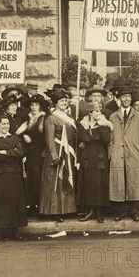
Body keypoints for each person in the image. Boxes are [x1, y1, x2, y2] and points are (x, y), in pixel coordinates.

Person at [109, 86, 139, 222]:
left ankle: (134, 211)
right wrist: (111, 153)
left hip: (134, 154)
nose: (127, 99)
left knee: (134, 182)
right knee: (120, 182)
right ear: (119, 99)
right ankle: (121, 211)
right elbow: (110, 138)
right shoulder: (113, 116)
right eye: (124, 97)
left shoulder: (138, 116)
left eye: (129, 97)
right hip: (118, 154)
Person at [38, 89, 77, 222]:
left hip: (67, 152)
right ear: (55, 103)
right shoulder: (51, 118)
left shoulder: (69, 117)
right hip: (56, 153)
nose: (64, 103)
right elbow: (49, 139)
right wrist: (54, 157)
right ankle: (54, 210)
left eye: (65, 100)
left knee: (66, 178)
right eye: (61, 101)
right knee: (55, 182)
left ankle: (67, 209)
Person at [0, 115, 27, 241]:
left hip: (14, 174)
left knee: (14, 201)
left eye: (7, 124)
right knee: (0, 202)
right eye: (3, 124)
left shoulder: (14, 138)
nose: (6, 126)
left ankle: (15, 229)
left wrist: (5, 152)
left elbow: (20, 152)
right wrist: (12, 153)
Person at [76, 102, 112, 223]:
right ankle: (91, 210)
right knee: (88, 184)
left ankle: (100, 212)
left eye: (100, 111)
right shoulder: (83, 124)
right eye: (96, 111)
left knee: (99, 184)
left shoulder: (105, 124)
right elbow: (82, 138)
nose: (98, 113)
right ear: (90, 112)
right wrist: (93, 137)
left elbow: (106, 139)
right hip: (87, 157)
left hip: (100, 157)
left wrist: (100, 126)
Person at [16, 94, 49, 216]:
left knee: (39, 177)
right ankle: (31, 205)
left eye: (36, 105)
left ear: (40, 106)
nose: (34, 107)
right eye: (32, 105)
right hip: (29, 152)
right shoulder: (27, 118)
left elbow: (46, 135)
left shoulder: (44, 118)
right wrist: (24, 136)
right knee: (30, 178)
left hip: (41, 151)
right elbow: (17, 132)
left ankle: (40, 205)